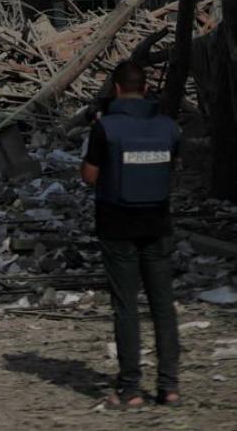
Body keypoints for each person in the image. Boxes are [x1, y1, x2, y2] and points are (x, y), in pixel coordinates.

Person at [81, 61, 182, 408]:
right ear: (146, 88)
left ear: (116, 89)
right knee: (163, 305)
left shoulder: (105, 128)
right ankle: (169, 387)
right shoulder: (169, 127)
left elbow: (90, 176)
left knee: (126, 307)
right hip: (158, 224)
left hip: (117, 226)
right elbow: (169, 168)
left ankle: (130, 390)